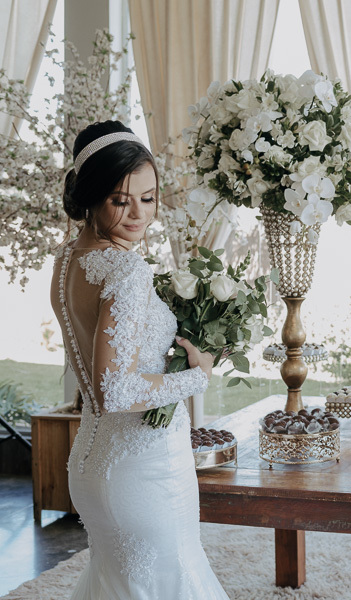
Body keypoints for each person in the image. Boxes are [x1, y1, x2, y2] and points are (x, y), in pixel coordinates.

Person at [50, 120, 229, 599]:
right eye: (119, 199)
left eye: (147, 199)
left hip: (89, 464)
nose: (137, 214)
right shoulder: (125, 268)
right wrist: (197, 378)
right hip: (143, 467)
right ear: (90, 195)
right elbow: (118, 391)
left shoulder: (67, 259)